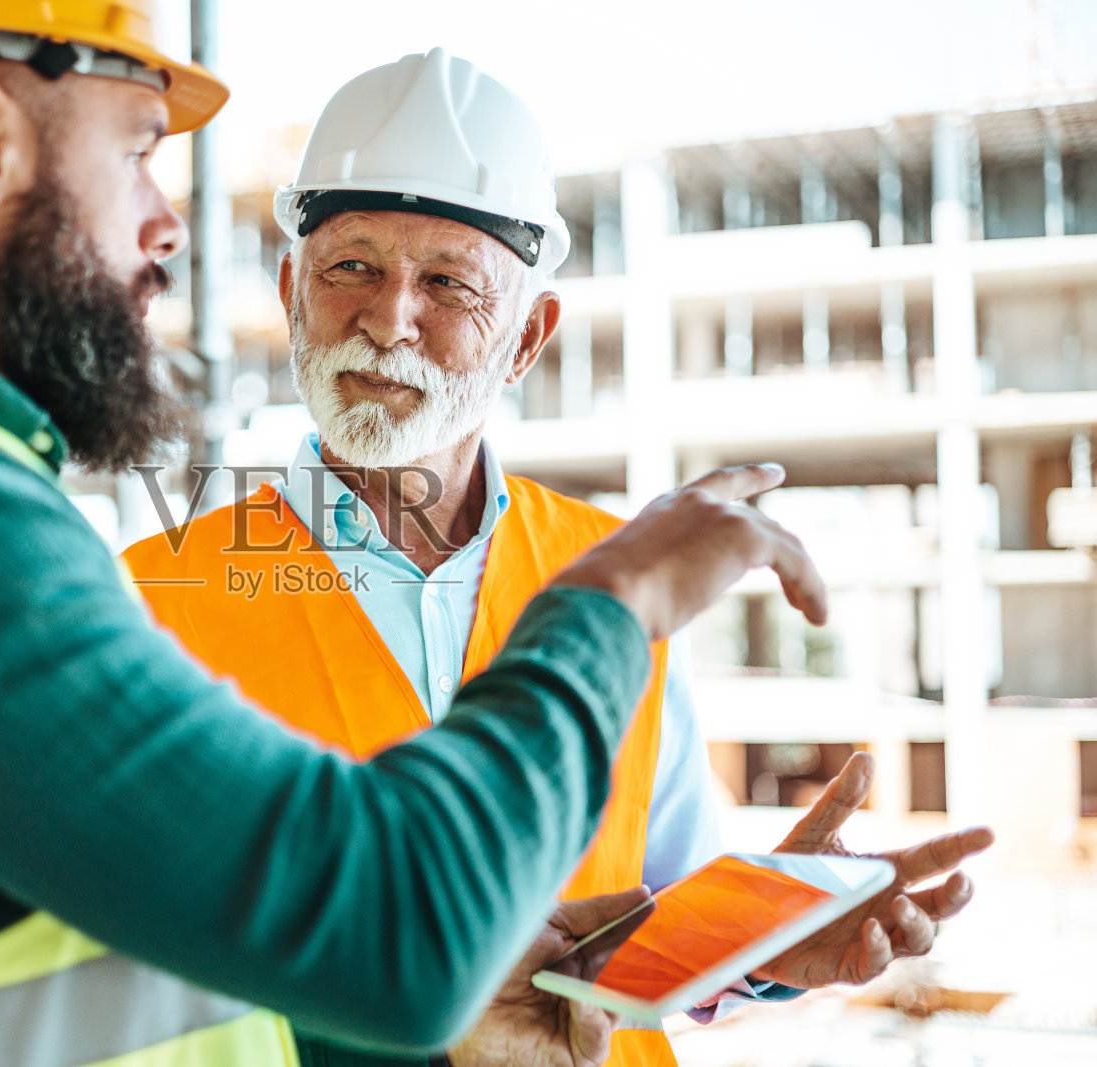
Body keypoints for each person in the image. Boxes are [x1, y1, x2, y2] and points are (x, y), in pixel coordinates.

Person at [0, 6, 832, 1066]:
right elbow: (403, 922)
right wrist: (610, 602)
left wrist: (714, 948)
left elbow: (130, 972)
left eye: (448, 282)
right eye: (137, 150)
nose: (166, 224)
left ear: (527, 330)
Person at [123, 50, 994, 1067]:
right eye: (351, 263)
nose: (388, 317)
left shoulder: (614, 570)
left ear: (528, 336)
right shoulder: (150, 596)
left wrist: (756, 938)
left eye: (447, 281)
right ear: (290, 289)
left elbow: (647, 913)